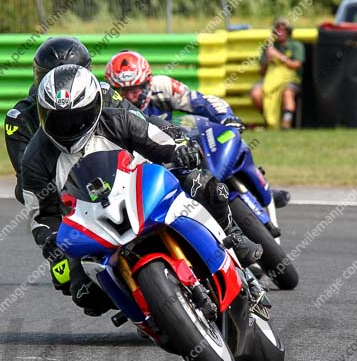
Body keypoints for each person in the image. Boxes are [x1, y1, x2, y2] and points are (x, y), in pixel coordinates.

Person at [21, 65, 262, 315]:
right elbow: (40, 214)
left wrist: (178, 149)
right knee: (79, 290)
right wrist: (49, 237)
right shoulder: (35, 157)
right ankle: (141, 304)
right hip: (90, 220)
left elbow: (155, 138)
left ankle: (232, 236)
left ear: (93, 107)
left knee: (206, 186)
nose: (68, 126)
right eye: (57, 119)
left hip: (143, 188)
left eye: (76, 116)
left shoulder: (116, 119)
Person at [4, 37, 92, 202]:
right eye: (52, 78)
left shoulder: (104, 97)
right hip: (60, 200)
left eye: (68, 78)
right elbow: (28, 181)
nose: (62, 88)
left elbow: (142, 127)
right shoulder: (21, 116)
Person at [104, 50, 245, 130]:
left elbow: (201, 102)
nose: (130, 96)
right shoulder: (107, 103)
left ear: (147, 83)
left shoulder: (162, 86)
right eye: (122, 90)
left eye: (134, 89)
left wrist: (225, 118)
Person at [250, 18, 305, 129]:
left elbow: (296, 65)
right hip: (270, 79)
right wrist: (267, 60)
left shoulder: (296, 46)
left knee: (287, 93)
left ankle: (286, 122)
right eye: (277, 30)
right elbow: (262, 72)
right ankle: (269, 120)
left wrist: (279, 56)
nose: (279, 32)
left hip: (290, 79)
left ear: (288, 32)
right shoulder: (268, 47)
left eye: (283, 30)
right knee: (256, 93)